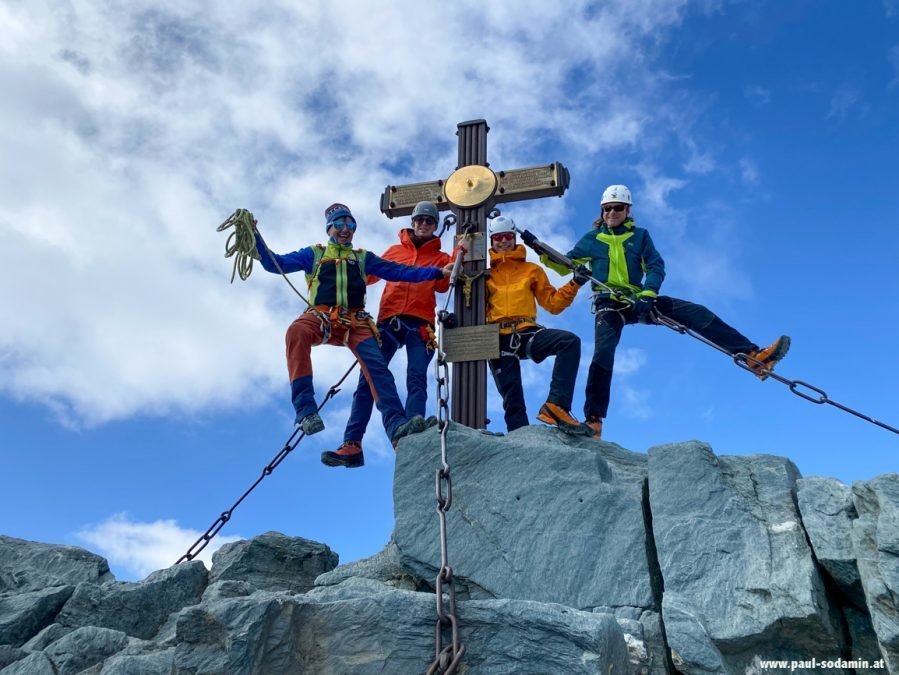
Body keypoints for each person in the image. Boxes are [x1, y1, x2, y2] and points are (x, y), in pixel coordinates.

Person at [548, 184, 790, 440]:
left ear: (627, 210)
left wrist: (648, 293)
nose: (611, 212)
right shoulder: (592, 239)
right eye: (607, 208)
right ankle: (594, 420)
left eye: (617, 208)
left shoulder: (639, 236)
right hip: (608, 302)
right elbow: (564, 265)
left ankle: (754, 356)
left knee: (695, 312)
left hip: (637, 299)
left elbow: (655, 265)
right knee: (603, 353)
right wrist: (542, 250)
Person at [254, 203, 455, 463]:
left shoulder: (363, 258)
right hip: (323, 315)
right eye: (339, 224)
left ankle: (397, 426)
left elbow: (400, 272)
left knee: (378, 369)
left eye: (350, 225)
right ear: (329, 228)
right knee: (296, 332)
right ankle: (306, 410)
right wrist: (256, 241)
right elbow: (275, 264)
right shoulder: (314, 254)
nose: (345, 229)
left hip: (358, 321)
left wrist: (439, 270)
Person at [329, 201, 458, 468]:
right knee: (367, 381)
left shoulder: (441, 257)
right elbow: (364, 276)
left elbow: (445, 285)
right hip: (387, 322)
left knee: (416, 376)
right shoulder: (394, 252)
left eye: (429, 221)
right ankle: (352, 443)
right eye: (420, 219)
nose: (423, 224)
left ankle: (414, 425)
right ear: (412, 222)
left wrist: (459, 249)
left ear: (435, 226)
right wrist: (336, 271)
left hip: (420, 323)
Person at [486, 215, 589, 435]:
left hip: (526, 332)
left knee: (568, 342)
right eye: (498, 237)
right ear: (491, 241)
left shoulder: (530, 270)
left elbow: (552, 303)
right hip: (496, 337)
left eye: (507, 237)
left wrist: (575, 283)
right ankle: (521, 438)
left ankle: (556, 405)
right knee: (512, 396)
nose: (503, 241)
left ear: (514, 238)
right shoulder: (484, 275)